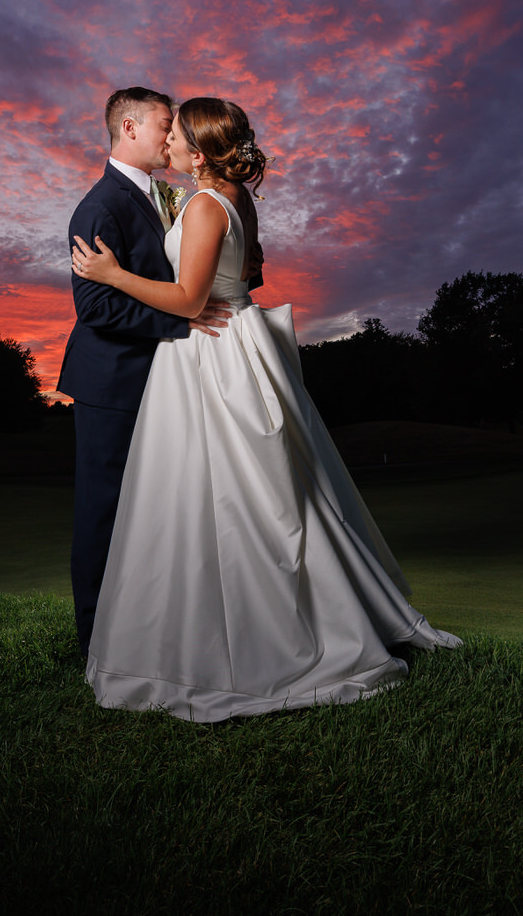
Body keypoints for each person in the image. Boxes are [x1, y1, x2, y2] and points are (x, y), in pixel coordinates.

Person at [70, 96, 460, 722]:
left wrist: (117, 275)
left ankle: (239, 633)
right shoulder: (225, 195)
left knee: (220, 492)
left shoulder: (200, 202)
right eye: (162, 128)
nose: (167, 139)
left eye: (175, 133)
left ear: (196, 153)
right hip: (224, 347)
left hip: (209, 353)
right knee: (245, 489)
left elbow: (192, 297)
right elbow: (237, 275)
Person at [56, 87, 231, 661]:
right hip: (112, 385)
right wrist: (183, 321)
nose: (172, 133)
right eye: (164, 123)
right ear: (129, 127)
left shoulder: (167, 195)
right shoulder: (99, 206)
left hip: (157, 382)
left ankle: (146, 633)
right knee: (103, 513)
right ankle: (95, 647)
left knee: (155, 513)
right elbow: (96, 308)